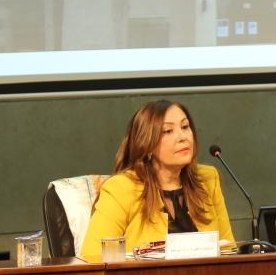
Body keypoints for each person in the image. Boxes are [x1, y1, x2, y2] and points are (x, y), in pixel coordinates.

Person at [80, 99, 235, 261]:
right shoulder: (121, 189)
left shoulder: (208, 179)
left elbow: (229, 250)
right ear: (147, 144)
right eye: (168, 131)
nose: (182, 137)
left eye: (185, 127)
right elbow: (93, 257)